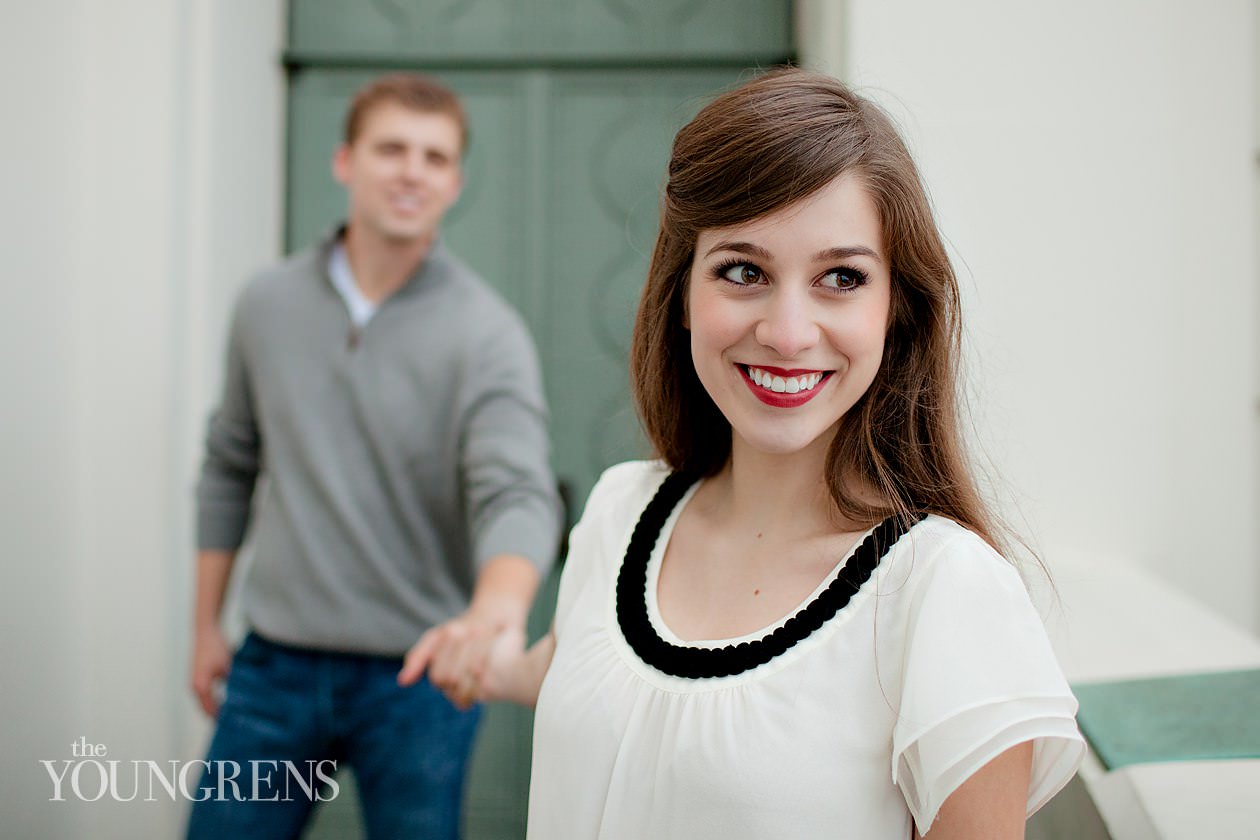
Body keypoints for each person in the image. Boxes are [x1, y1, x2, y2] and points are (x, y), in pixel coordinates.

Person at [417, 68, 1086, 838]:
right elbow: (599, 682)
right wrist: (491, 662)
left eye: (841, 277)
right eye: (744, 271)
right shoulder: (620, 510)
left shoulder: (942, 592)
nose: (788, 331)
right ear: (682, 293)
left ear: (895, 311)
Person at [188, 73, 561, 839]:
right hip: (273, 666)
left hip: (416, 677)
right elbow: (229, 463)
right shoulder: (266, 303)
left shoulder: (486, 333)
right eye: (391, 148)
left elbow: (516, 491)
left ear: (455, 181)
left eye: (434, 156)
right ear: (345, 160)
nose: (411, 171)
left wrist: (496, 609)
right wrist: (204, 625)